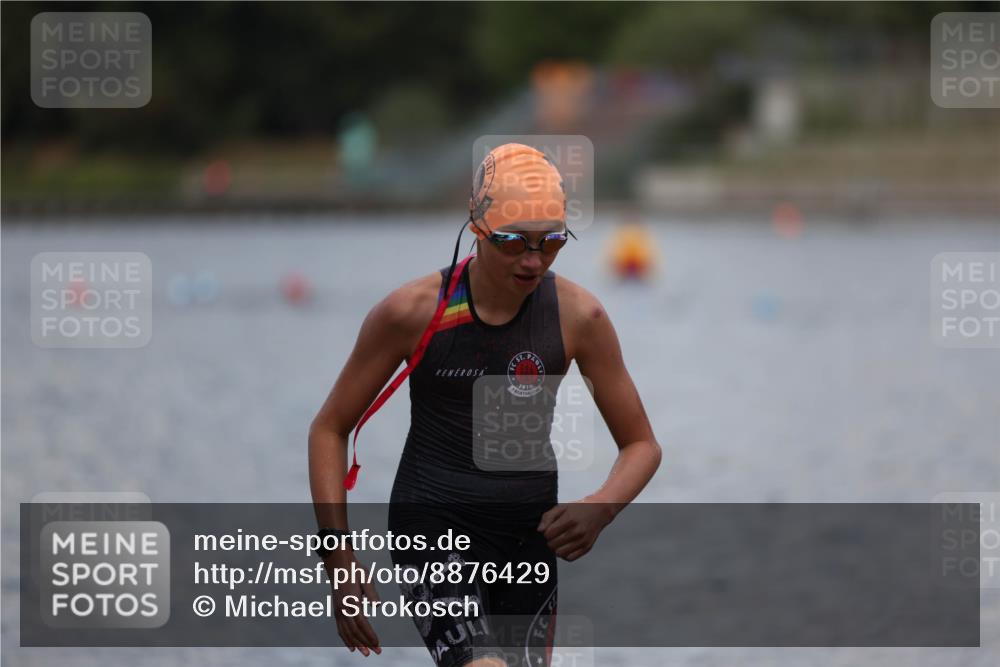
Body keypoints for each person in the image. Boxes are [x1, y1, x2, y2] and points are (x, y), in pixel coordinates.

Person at [309, 143, 661, 666]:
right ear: (476, 229)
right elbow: (329, 428)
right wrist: (341, 562)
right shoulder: (411, 312)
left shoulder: (579, 317)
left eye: (552, 243)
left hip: (527, 539)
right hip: (431, 524)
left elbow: (641, 445)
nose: (533, 260)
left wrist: (601, 507)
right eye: (514, 242)